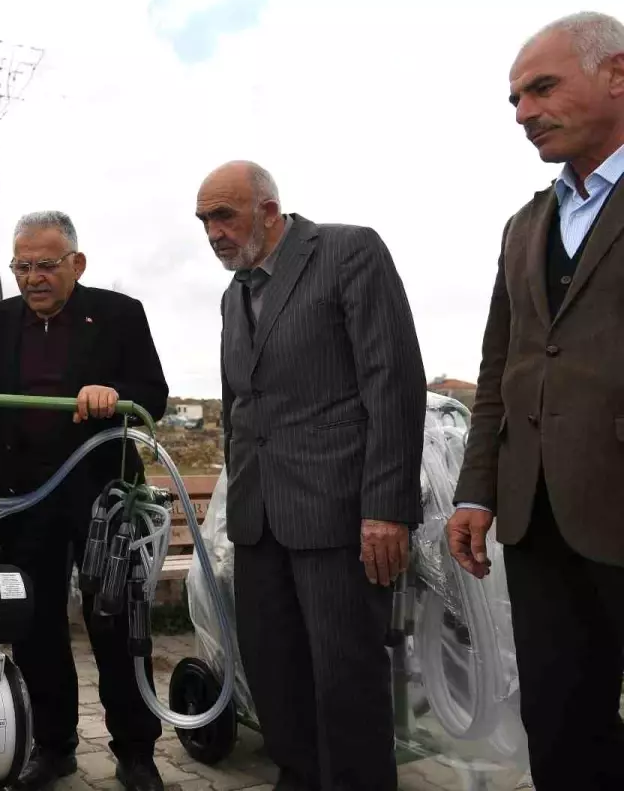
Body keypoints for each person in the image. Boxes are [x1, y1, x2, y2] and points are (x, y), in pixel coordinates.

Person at [203, 161, 425, 791]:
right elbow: (239, 409)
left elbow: (393, 382)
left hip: (338, 514)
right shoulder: (233, 294)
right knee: (273, 673)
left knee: (345, 678)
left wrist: (386, 508)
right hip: (258, 520)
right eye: (204, 221)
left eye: (224, 215)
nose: (212, 232)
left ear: (268, 210)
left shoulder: (349, 251)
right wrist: (231, 512)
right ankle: (298, 779)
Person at [447, 12, 624, 791]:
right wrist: (477, 488)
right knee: (557, 717)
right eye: (515, 99)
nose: (523, 113)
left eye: (542, 88)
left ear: (618, 74)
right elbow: (501, 368)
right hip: (536, 519)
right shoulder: (525, 226)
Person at [0, 211, 169, 791]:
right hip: (20, 498)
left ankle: (136, 753)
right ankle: (54, 747)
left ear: (77, 264)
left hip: (103, 497)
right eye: (22, 265)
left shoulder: (120, 315)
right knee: (34, 626)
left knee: (114, 624)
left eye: (46, 264)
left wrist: (114, 394)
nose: (33, 277)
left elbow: (154, 395)